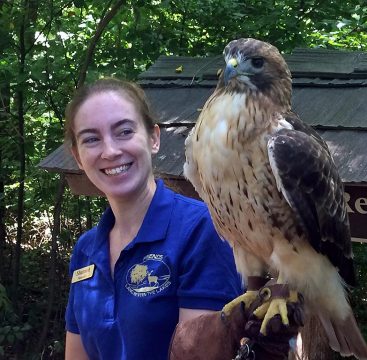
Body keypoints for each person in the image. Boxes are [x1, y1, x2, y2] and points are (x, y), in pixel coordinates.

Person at [63, 78, 243, 359]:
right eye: (91, 139)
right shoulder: (85, 250)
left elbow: (200, 353)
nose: (110, 151)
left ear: (153, 138)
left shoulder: (201, 228)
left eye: (123, 131)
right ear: (77, 156)